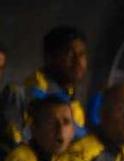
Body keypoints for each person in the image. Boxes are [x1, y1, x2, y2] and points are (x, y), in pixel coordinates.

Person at [0, 25, 89, 153]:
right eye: (70, 54)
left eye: (82, 54)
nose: (78, 61)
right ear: (50, 58)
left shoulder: (72, 99)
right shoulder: (31, 92)